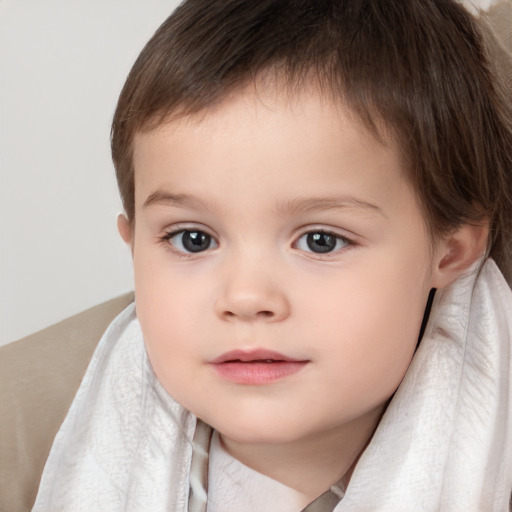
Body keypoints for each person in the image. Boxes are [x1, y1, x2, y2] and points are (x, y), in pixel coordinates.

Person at [13, 0, 512, 510]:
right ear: (134, 246)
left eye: (321, 240)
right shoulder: (24, 441)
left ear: (451, 251)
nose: (246, 297)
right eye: (193, 239)